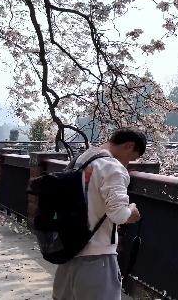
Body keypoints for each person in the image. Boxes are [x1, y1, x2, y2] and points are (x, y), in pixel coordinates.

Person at [53, 128, 146, 300]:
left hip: (68, 252)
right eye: (132, 158)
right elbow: (118, 215)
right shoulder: (112, 167)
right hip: (97, 259)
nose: (128, 164)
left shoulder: (81, 160)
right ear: (129, 145)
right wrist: (132, 211)